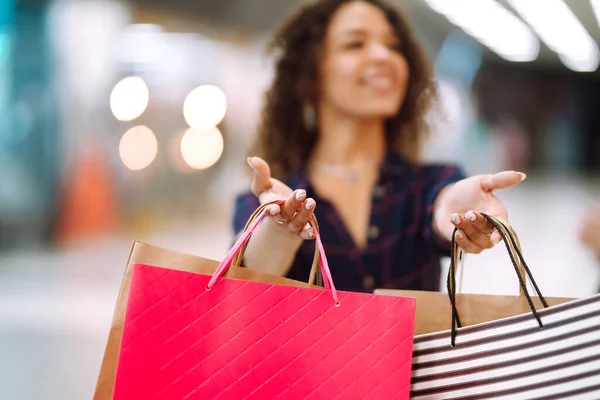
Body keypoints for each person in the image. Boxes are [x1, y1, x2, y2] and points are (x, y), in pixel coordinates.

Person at [232, 0, 526, 293]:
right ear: (310, 74)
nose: (383, 55)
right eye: (355, 44)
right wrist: (280, 230)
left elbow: (440, 203)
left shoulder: (427, 184)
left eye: (394, 46)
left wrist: (452, 210)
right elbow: (245, 288)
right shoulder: (270, 199)